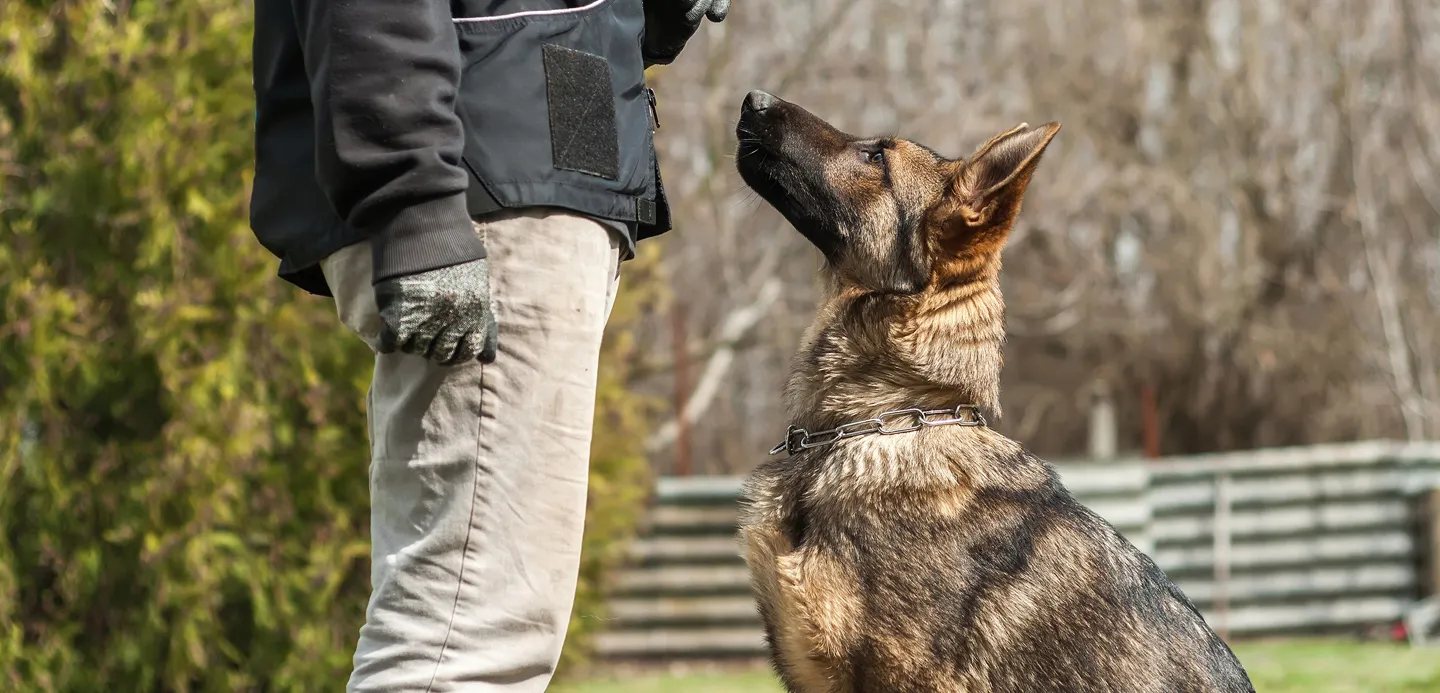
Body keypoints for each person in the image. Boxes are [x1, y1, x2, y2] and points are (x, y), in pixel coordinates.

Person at [248, 0, 728, 690]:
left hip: (532, 163)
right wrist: (413, 197)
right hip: (480, 189)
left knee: (476, 634)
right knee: (464, 647)